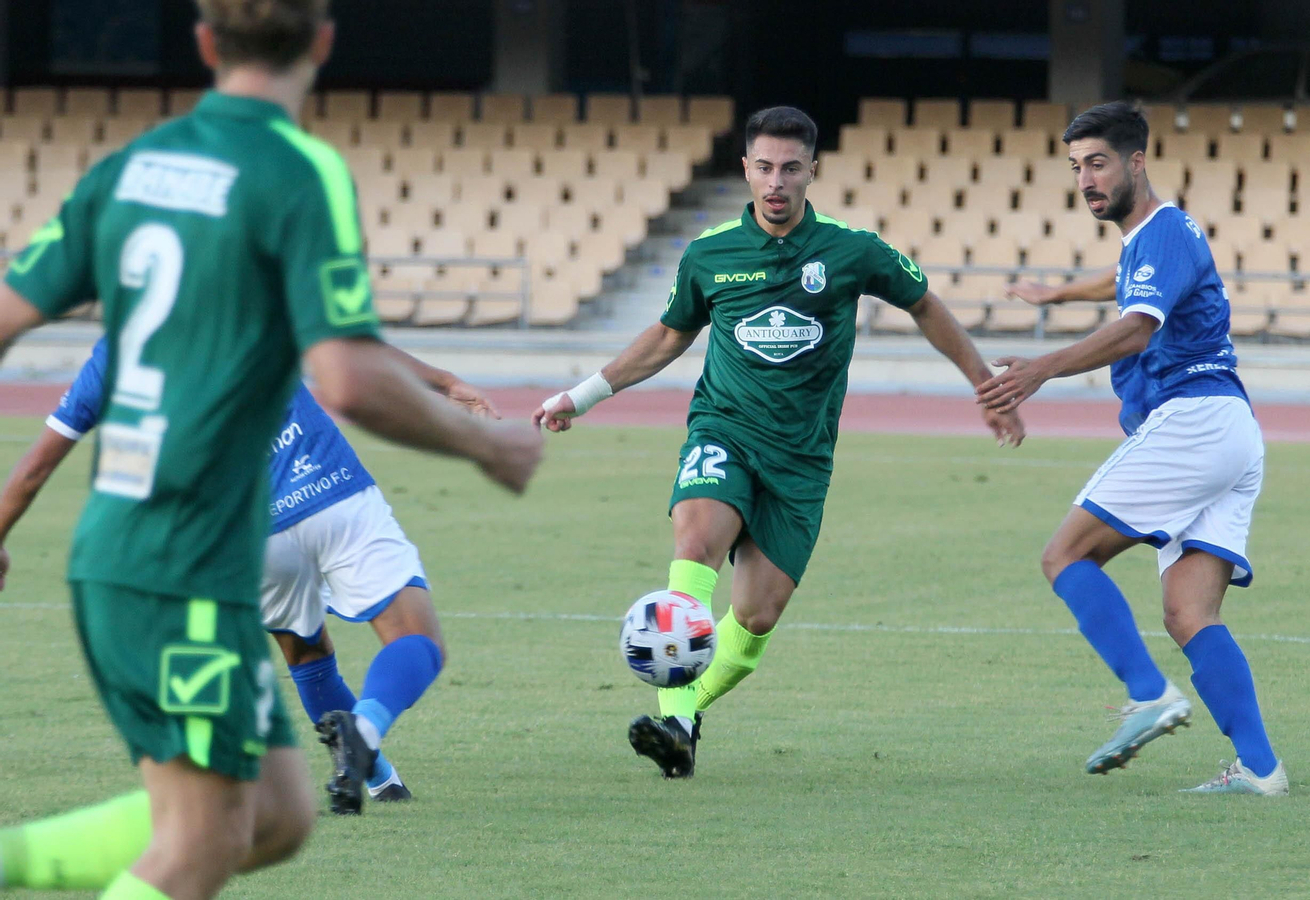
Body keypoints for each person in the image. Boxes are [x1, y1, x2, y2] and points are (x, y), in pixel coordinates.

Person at [0, 1, 543, 897]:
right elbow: (349, 377)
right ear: (323, 43)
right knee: (203, 836)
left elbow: (15, 344)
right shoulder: (297, 172)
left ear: (205, 43)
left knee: (277, 816)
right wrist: (484, 449)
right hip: (178, 559)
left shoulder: (129, 171)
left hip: (175, 552)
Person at [536, 106, 1025, 778]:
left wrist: (983, 382)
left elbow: (923, 303)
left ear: (812, 171)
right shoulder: (710, 253)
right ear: (745, 168)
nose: (776, 182)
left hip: (801, 460)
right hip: (725, 430)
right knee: (694, 548)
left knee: (755, 620)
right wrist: (583, 394)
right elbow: (669, 334)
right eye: (764, 167)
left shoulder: (852, 251)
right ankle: (675, 720)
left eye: (790, 169)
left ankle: (684, 717)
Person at [0, 336, 500, 814]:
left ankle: (381, 781)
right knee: (416, 639)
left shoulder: (110, 356)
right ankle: (364, 730)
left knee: (307, 653)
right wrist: (444, 382)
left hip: (249, 529)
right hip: (331, 489)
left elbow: (34, 470)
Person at [979, 101, 1286, 796]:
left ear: (1137, 162)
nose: (1086, 180)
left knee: (1064, 555)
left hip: (1192, 420)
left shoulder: (1165, 230)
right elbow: (1121, 281)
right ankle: (1261, 770)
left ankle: (1148, 694)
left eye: (1098, 163)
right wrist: (1058, 292)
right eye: (1076, 167)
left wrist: (1040, 369)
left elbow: (1139, 325)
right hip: (1230, 432)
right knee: (1189, 614)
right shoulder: (1151, 239)